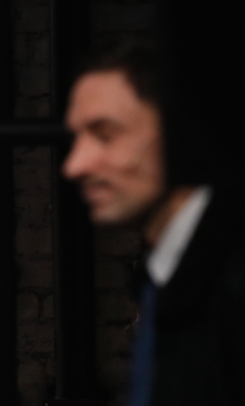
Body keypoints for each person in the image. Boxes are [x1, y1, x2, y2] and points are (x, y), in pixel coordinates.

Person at [62, 40, 244, 406]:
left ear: (178, 132)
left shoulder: (232, 284)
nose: (75, 165)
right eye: (76, 138)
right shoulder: (167, 276)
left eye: (105, 134)